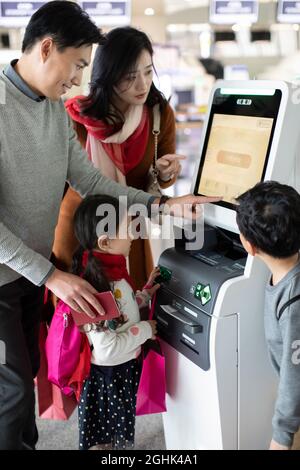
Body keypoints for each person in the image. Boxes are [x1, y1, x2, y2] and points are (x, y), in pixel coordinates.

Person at [0, 1, 219, 450]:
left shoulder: (52, 109)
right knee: (13, 391)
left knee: (22, 388)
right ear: (46, 48)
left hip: (30, 274)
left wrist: (163, 204)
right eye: (77, 64)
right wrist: (52, 275)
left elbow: (92, 181)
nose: (78, 79)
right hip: (11, 274)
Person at [53, 26, 185, 289]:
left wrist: (165, 173)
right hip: (80, 228)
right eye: (130, 76)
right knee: (78, 313)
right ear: (108, 75)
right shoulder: (76, 118)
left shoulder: (159, 114)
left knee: (129, 307)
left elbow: (162, 183)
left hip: (128, 231)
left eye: (148, 72)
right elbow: (57, 183)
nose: (142, 85)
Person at [72, 194, 159, 450]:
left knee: (116, 433)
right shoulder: (95, 289)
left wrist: (144, 293)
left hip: (120, 371)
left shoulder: (113, 274)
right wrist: (145, 330)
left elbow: (122, 310)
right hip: (107, 378)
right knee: (104, 441)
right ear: (106, 241)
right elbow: (107, 348)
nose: (132, 236)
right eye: (127, 230)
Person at [236, 181, 300, 450]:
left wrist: (281, 436)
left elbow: (293, 376)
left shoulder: (293, 304)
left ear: (249, 246)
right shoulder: (286, 280)